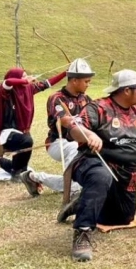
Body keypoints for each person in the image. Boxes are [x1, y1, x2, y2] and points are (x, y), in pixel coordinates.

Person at [66, 69, 136, 262]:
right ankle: (82, 232)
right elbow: (75, 126)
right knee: (101, 177)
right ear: (127, 90)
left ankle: (84, 202)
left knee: (123, 217)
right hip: (95, 163)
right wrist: (90, 135)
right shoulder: (98, 108)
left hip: (128, 174)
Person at [20, 58, 95, 222]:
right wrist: (70, 121)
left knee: (78, 180)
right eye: (86, 81)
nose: (88, 84)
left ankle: (34, 177)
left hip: (80, 141)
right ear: (74, 80)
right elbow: (64, 121)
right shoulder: (56, 98)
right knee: (74, 148)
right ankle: (74, 194)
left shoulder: (86, 99)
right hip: (58, 142)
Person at [0, 67, 67, 179]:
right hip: (7, 132)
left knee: (19, 161)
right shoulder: (5, 92)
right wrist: (26, 80)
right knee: (27, 141)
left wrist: (66, 73)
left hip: (23, 132)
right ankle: (18, 173)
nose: (27, 78)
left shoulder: (29, 88)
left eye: (26, 76)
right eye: (23, 76)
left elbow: (48, 83)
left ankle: (0, 161)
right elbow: (8, 82)